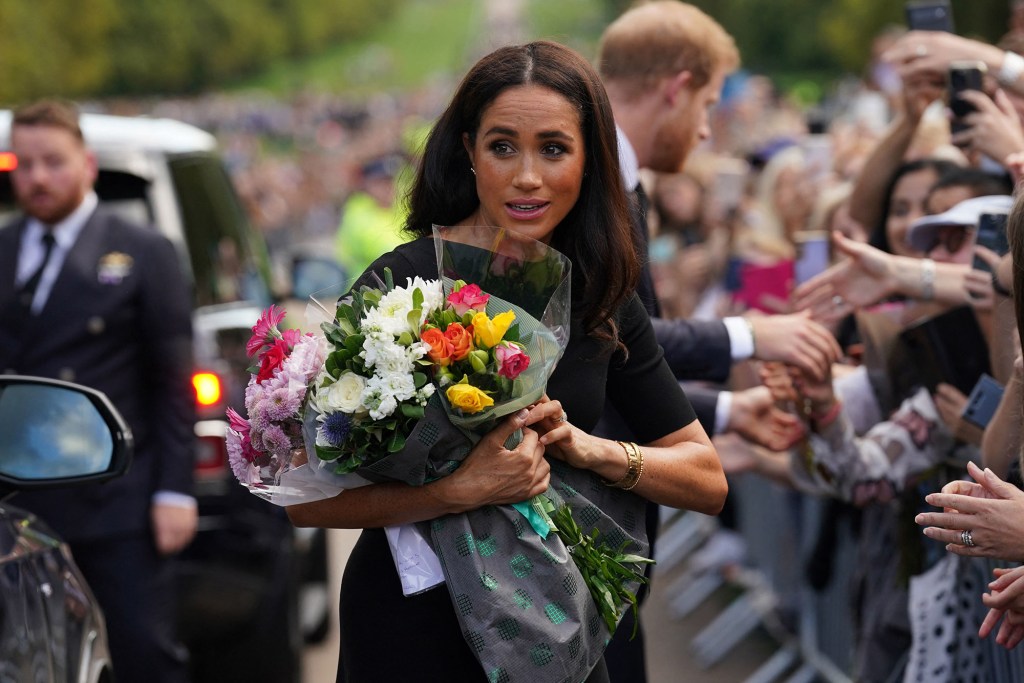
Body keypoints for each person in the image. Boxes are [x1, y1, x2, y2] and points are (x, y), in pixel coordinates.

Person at [285, 40, 727, 683]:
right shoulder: (399, 285)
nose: (527, 176)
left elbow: (706, 478)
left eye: (553, 148)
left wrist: (590, 450)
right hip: (411, 630)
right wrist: (451, 492)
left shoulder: (602, 293)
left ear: (589, 159)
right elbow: (304, 502)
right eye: (501, 146)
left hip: (555, 625)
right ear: (467, 152)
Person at [595, 4, 840, 678]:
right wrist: (754, 333)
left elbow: (626, 364)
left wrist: (729, 411)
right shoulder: (594, 179)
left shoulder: (619, 175)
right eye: (704, 102)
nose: (706, 127)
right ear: (676, 86)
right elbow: (617, 338)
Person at [0, 100, 196, 681]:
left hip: (116, 499)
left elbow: (173, 383)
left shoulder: (142, 249)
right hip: (18, 504)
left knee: (139, 651)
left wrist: (174, 493)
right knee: (32, 658)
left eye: (53, 162)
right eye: (24, 162)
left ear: (86, 164)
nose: (36, 177)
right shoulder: (3, 250)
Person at [333, 152, 409, 283]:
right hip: (367, 285)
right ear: (368, 184)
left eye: (389, 181)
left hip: (403, 281)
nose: (387, 188)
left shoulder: (405, 208)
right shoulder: (357, 210)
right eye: (380, 182)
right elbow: (370, 247)